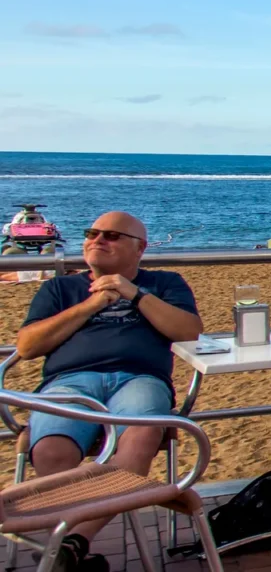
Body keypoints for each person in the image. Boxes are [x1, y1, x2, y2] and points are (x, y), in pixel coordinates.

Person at [16, 212, 203, 572]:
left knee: (143, 432)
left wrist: (133, 294)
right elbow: (27, 346)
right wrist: (93, 304)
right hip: (70, 381)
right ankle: (73, 547)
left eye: (113, 236)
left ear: (139, 249)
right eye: (92, 233)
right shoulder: (60, 289)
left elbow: (187, 331)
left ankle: (70, 543)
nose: (98, 240)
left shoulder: (165, 284)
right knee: (52, 449)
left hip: (139, 378)